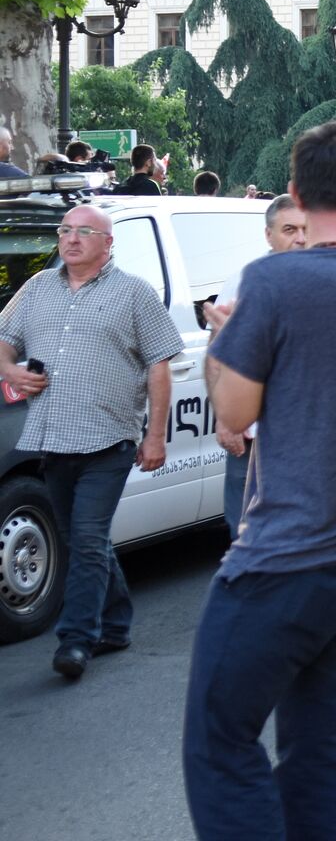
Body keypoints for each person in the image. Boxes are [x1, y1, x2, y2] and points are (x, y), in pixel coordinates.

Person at [183, 120, 336, 839]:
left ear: (295, 192)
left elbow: (234, 415)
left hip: (282, 554)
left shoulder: (272, 280)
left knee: (219, 743)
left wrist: (226, 338)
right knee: (317, 741)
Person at [0, 204, 181, 680]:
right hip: (52, 438)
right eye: (66, 231)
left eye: (84, 232)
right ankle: (117, 624)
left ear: (108, 243)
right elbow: (4, 339)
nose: (71, 239)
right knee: (82, 538)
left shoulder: (135, 294)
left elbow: (159, 365)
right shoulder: (37, 288)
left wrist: (155, 436)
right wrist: (10, 369)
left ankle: (76, 639)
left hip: (108, 439)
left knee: (86, 538)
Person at [214, 196, 308, 534]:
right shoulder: (243, 281)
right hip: (252, 436)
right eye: (289, 229)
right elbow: (219, 355)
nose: (299, 237)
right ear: (268, 235)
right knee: (242, 526)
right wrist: (226, 421)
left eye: (305, 229)